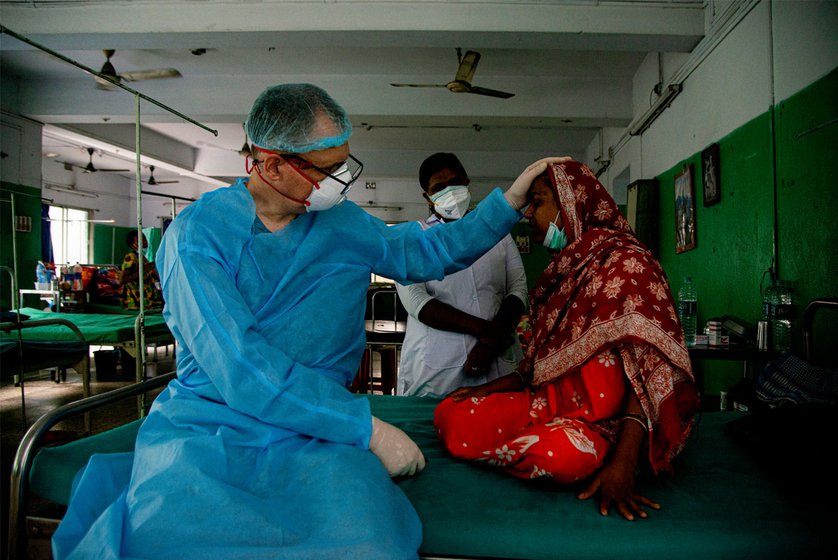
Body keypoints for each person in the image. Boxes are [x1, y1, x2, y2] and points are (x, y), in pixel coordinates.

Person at [52, 82, 568, 559]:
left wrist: (509, 202)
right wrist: (364, 428)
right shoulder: (197, 237)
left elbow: (425, 250)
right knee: (172, 536)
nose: (340, 182)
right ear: (271, 165)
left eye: (345, 164)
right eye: (326, 170)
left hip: (317, 426)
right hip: (215, 423)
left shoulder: (339, 221)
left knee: (368, 539)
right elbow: (238, 363)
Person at [434, 160, 700, 521]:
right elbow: (536, 366)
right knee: (453, 415)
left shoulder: (627, 265)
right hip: (547, 407)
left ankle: (580, 452)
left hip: (605, 427)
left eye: (539, 201)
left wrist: (623, 463)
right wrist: (489, 390)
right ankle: (533, 442)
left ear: (570, 204)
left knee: (561, 457)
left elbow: (651, 373)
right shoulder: (564, 271)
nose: (529, 213)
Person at [395, 152, 527, 397]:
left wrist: (489, 343)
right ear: (428, 197)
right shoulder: (415, 238)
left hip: (497, 362)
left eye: (455, 183)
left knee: (501, 428)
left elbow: (518, 290)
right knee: (433, 428)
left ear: (467, 183)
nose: (450, 191)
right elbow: (417, 302)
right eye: (439, 187)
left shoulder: (499, 233)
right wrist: (488, 333)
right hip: (437, 372)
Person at [118, 230, 163, 310]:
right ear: (133, 245)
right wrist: (144, 269)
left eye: (145, 239)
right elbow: (122, 280)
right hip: (136, 298)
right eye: (141, 240)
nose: (145, 242)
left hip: (146, 295)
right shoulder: (130, 257)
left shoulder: (141, 257)